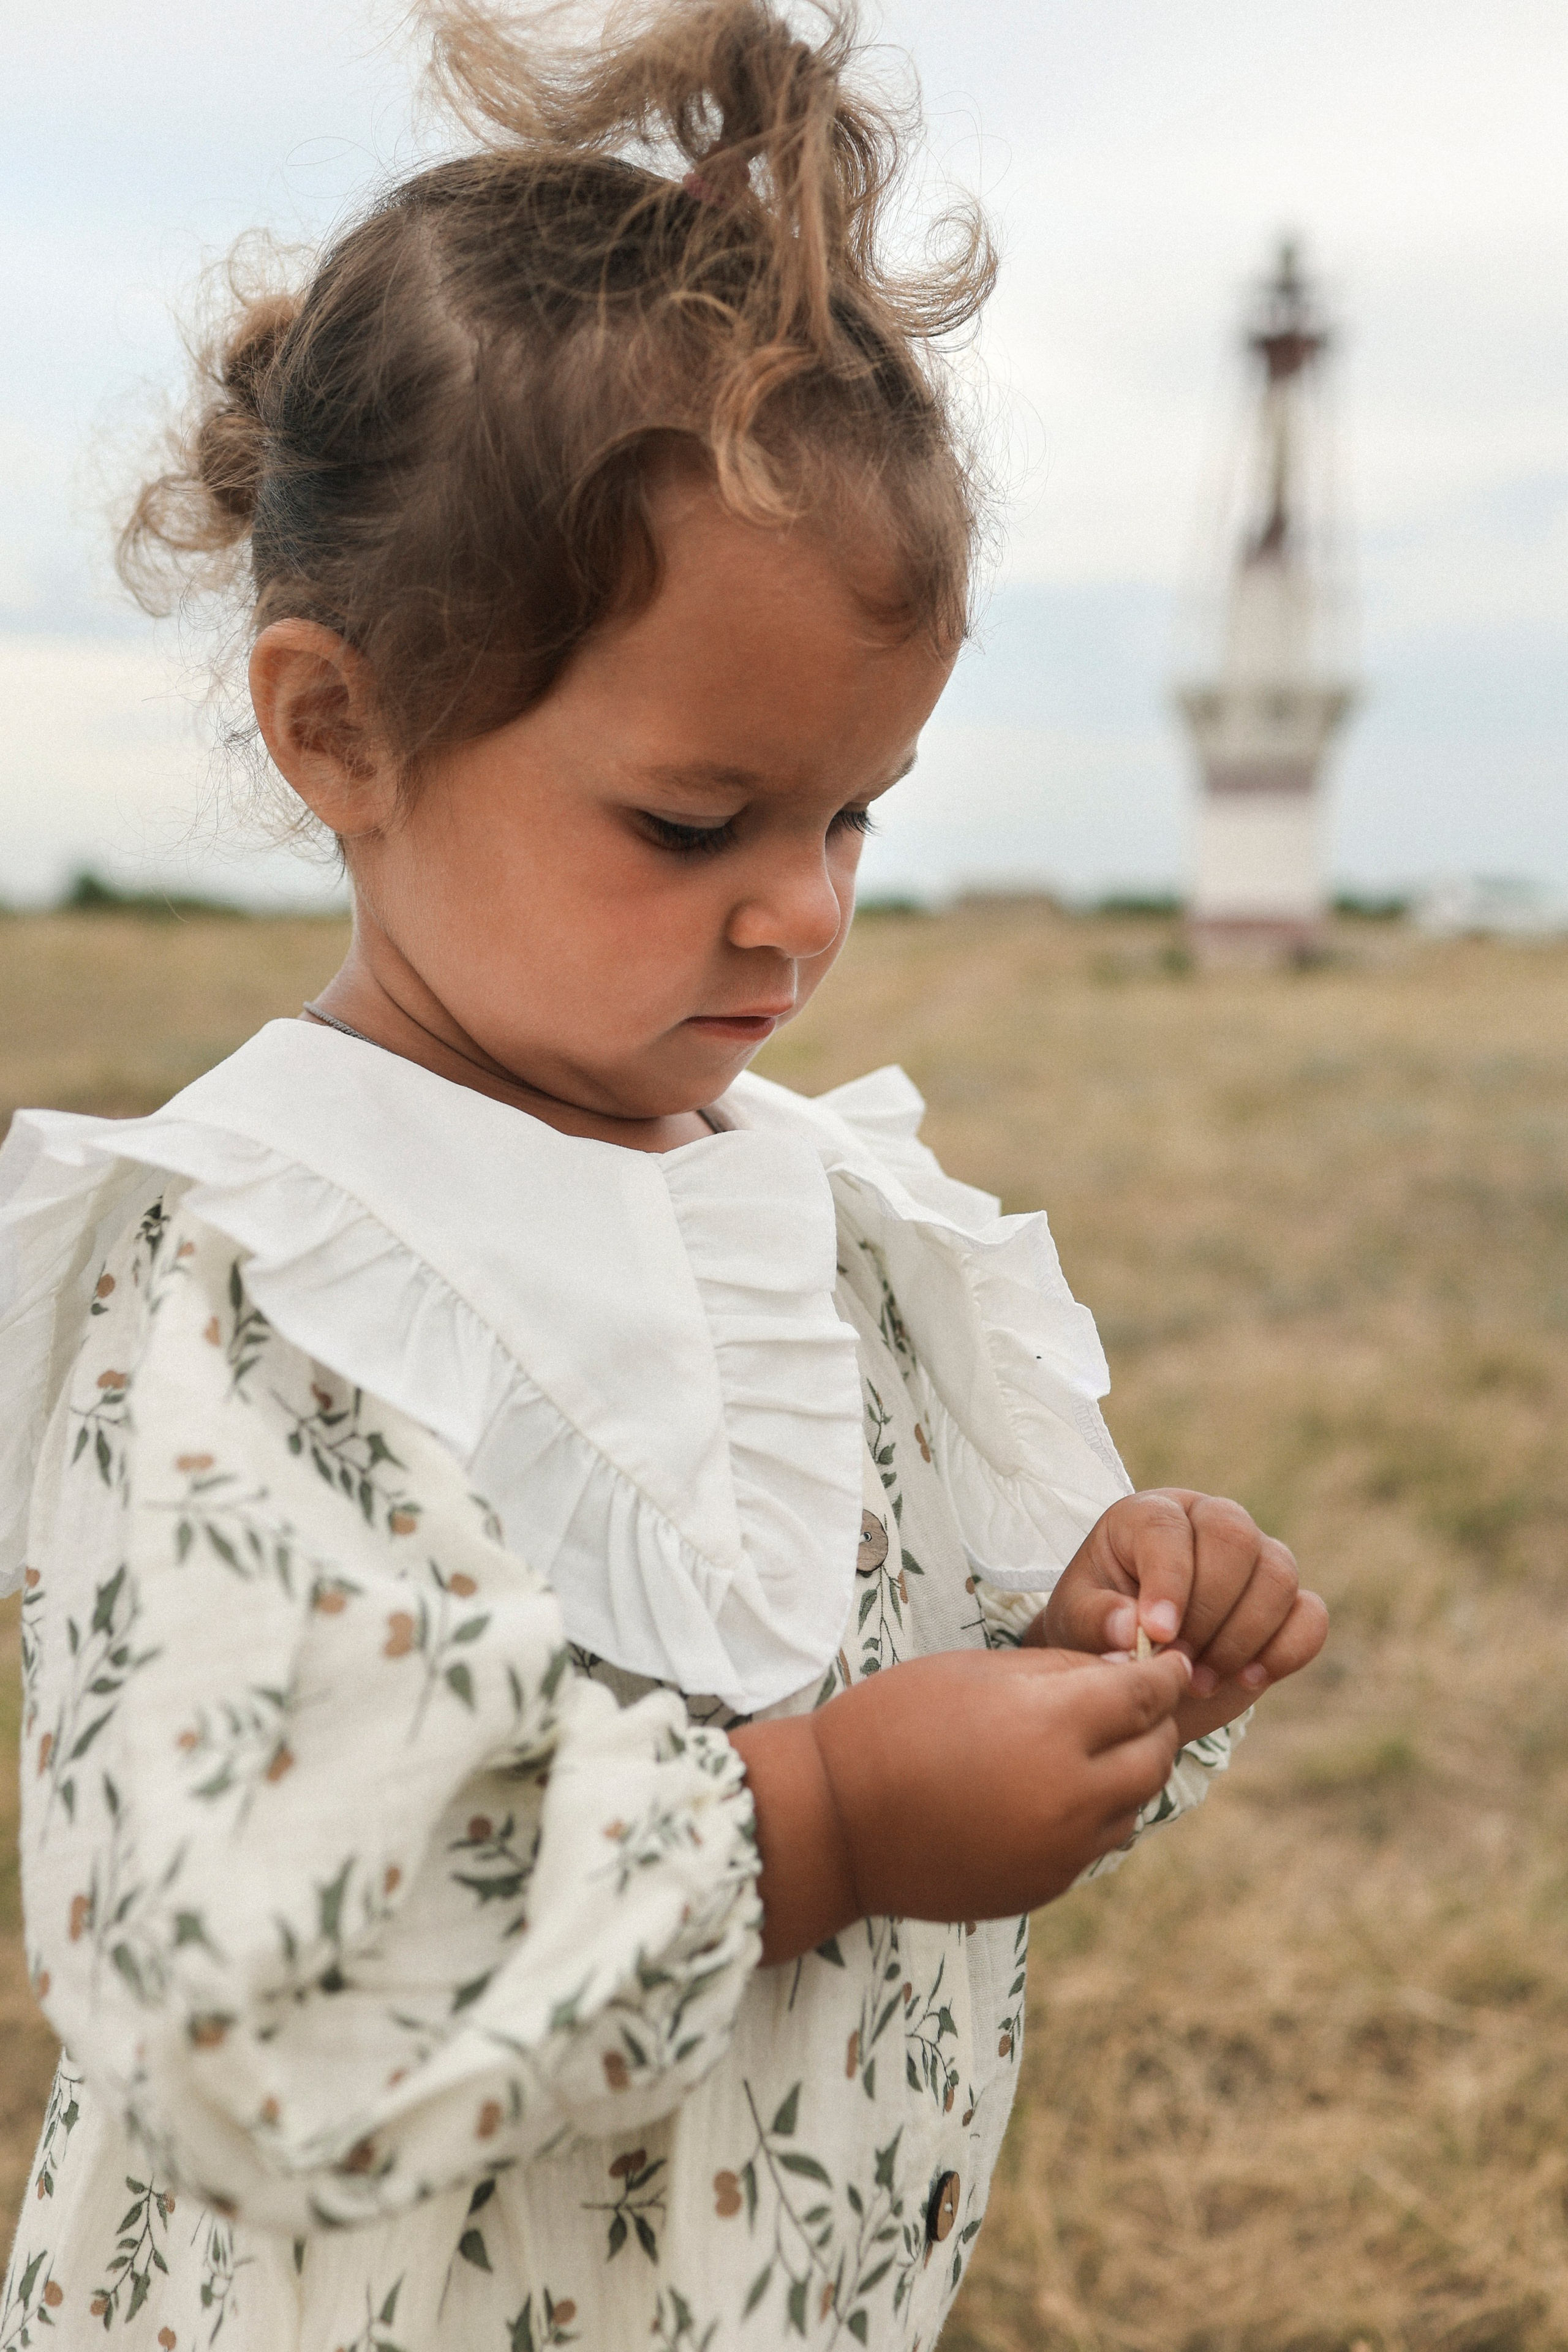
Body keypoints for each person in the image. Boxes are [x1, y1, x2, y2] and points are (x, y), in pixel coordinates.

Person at [0, 2, 1327, 2343]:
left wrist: (1091, 1647)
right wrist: (814, 1823)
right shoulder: (257, 1284)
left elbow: (867, 1665)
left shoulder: (832, 1224)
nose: (805, 911)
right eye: (696, 823)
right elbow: (242, 1996)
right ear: (345, 729)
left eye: (852, 816)